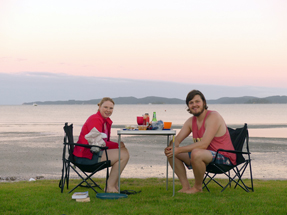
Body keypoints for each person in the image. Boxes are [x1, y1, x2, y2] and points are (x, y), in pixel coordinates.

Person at [164, 90, 236, 194]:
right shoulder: (190, 121)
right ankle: (185, 187)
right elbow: (178, 139)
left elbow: (204, 144)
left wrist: (179, 149)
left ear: (204, 103)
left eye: (197, 101)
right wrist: (173, 146)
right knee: (170, 152)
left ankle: (197, 188)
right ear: (188, 106)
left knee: (196, 152)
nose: (194, 105)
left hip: (224, 158)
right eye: (191, 103)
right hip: (203, 157)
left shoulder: (213, 116)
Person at [73, 97, 129, 193]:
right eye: (105, 107)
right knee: (123, 154)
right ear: (99, 106)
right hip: (86, 156)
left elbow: (103, 141)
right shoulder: (95, 119)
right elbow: (98, 142)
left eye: (111, 108)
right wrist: (117, 145)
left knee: (124, 152)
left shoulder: (105, 121)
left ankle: (113, 185)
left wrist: (118, 145)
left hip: (94, 151)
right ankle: (110, 187)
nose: (108, 110)